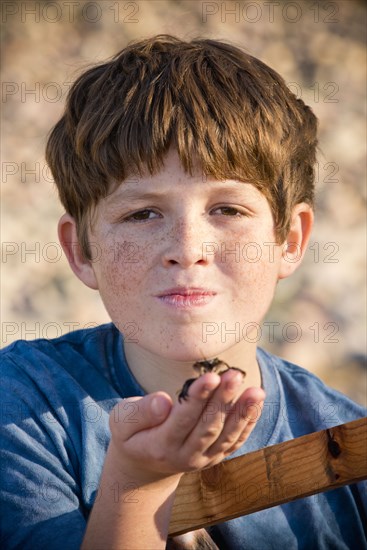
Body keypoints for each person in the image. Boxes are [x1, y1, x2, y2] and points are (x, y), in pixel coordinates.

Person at [1, 34, 366, 550]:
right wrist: (136, 483)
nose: (186, 249)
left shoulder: (347, 446)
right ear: (81, 251)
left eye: (228, 210)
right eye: (142, 213)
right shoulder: (20, 405)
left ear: (289, 240)